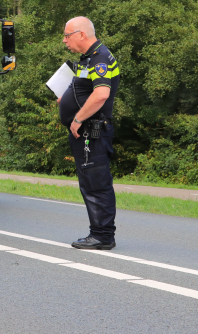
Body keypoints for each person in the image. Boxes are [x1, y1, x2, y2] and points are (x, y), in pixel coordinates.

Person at [58, 17, 120, 250]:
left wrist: (77, 118)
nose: (65, 40)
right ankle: (100, 233)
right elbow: (85, 90)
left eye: (67, 35)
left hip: (92, 131)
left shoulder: (100, 58)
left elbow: (101, 94)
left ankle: (102, 236)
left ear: (81, 34)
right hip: (88, 132)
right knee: (90, 182)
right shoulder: (89, 59)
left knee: (97, 183)